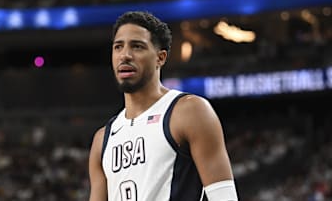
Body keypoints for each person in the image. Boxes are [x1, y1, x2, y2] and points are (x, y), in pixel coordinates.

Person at [89, 11, 238, 201]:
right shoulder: (102, 139)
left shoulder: (189, 111)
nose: (125, 55)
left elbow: (224, 197)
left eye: (137, 46)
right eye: (118, 47)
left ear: (160, 58)